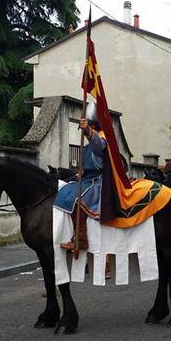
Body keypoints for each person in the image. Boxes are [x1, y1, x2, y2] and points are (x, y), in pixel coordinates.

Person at [54, 100, 106, 251]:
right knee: (65, 191)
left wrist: (89, 132)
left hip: (99, 180)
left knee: (77, 198)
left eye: (90, 126)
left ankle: (81, 238)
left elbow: (100, 148)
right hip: (87, 178)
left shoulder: (102, 137)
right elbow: (89, 162)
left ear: (94, 125)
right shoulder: (88, 144)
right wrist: (81, 172)